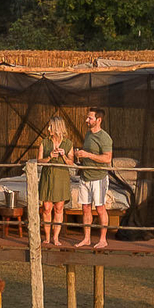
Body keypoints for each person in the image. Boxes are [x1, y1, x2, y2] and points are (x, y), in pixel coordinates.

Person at [73, 106, 114, 248]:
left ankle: (103, 239)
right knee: (85, 208)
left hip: (98, 177)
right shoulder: (88, 134)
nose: (86, 120)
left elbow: (107, 159)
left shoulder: (105, 138)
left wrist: (88, 155)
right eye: (87, 117)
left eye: (89, 118)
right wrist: (80, 155)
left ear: (98, 120)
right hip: (85, 176)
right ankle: (87, 238)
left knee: (100, 208)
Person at [36, 114, 74, 246]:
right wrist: (50, 156)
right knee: (46, 208)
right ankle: (46, 236)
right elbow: (39, 161)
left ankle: (56, 237)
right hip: (48, 177)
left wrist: (63, 156)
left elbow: (71, 163)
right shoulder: (44, 142)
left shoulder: (68, 143)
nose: (48, 128)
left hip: (61, 177)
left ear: (57, 127)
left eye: (50, 126)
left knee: (59, 207)